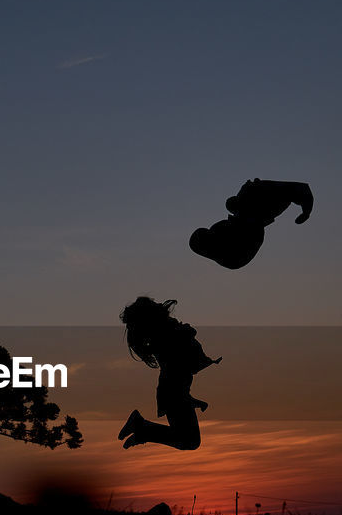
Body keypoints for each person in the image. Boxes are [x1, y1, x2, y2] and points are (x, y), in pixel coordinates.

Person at [117, 297, 220, 451]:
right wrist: (185, 398)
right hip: (173, 393)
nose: (159, 305)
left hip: (175, 392)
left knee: (189, 440)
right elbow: (176, 372)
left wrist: (190, 399)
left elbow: (178, 373)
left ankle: (143, 428)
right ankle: (142, 427)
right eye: (154, 305)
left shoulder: (168, 333)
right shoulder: (167, 334)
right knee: (189, 441)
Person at [189, 178, 314, 269]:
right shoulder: (256, 204)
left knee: (243, 200)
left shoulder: (251, 204)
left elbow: (300, 190)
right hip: (248, 227)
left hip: (248, 225)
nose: (250, 182)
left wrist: (305, 213)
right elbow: (300, 190)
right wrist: (305, 213)